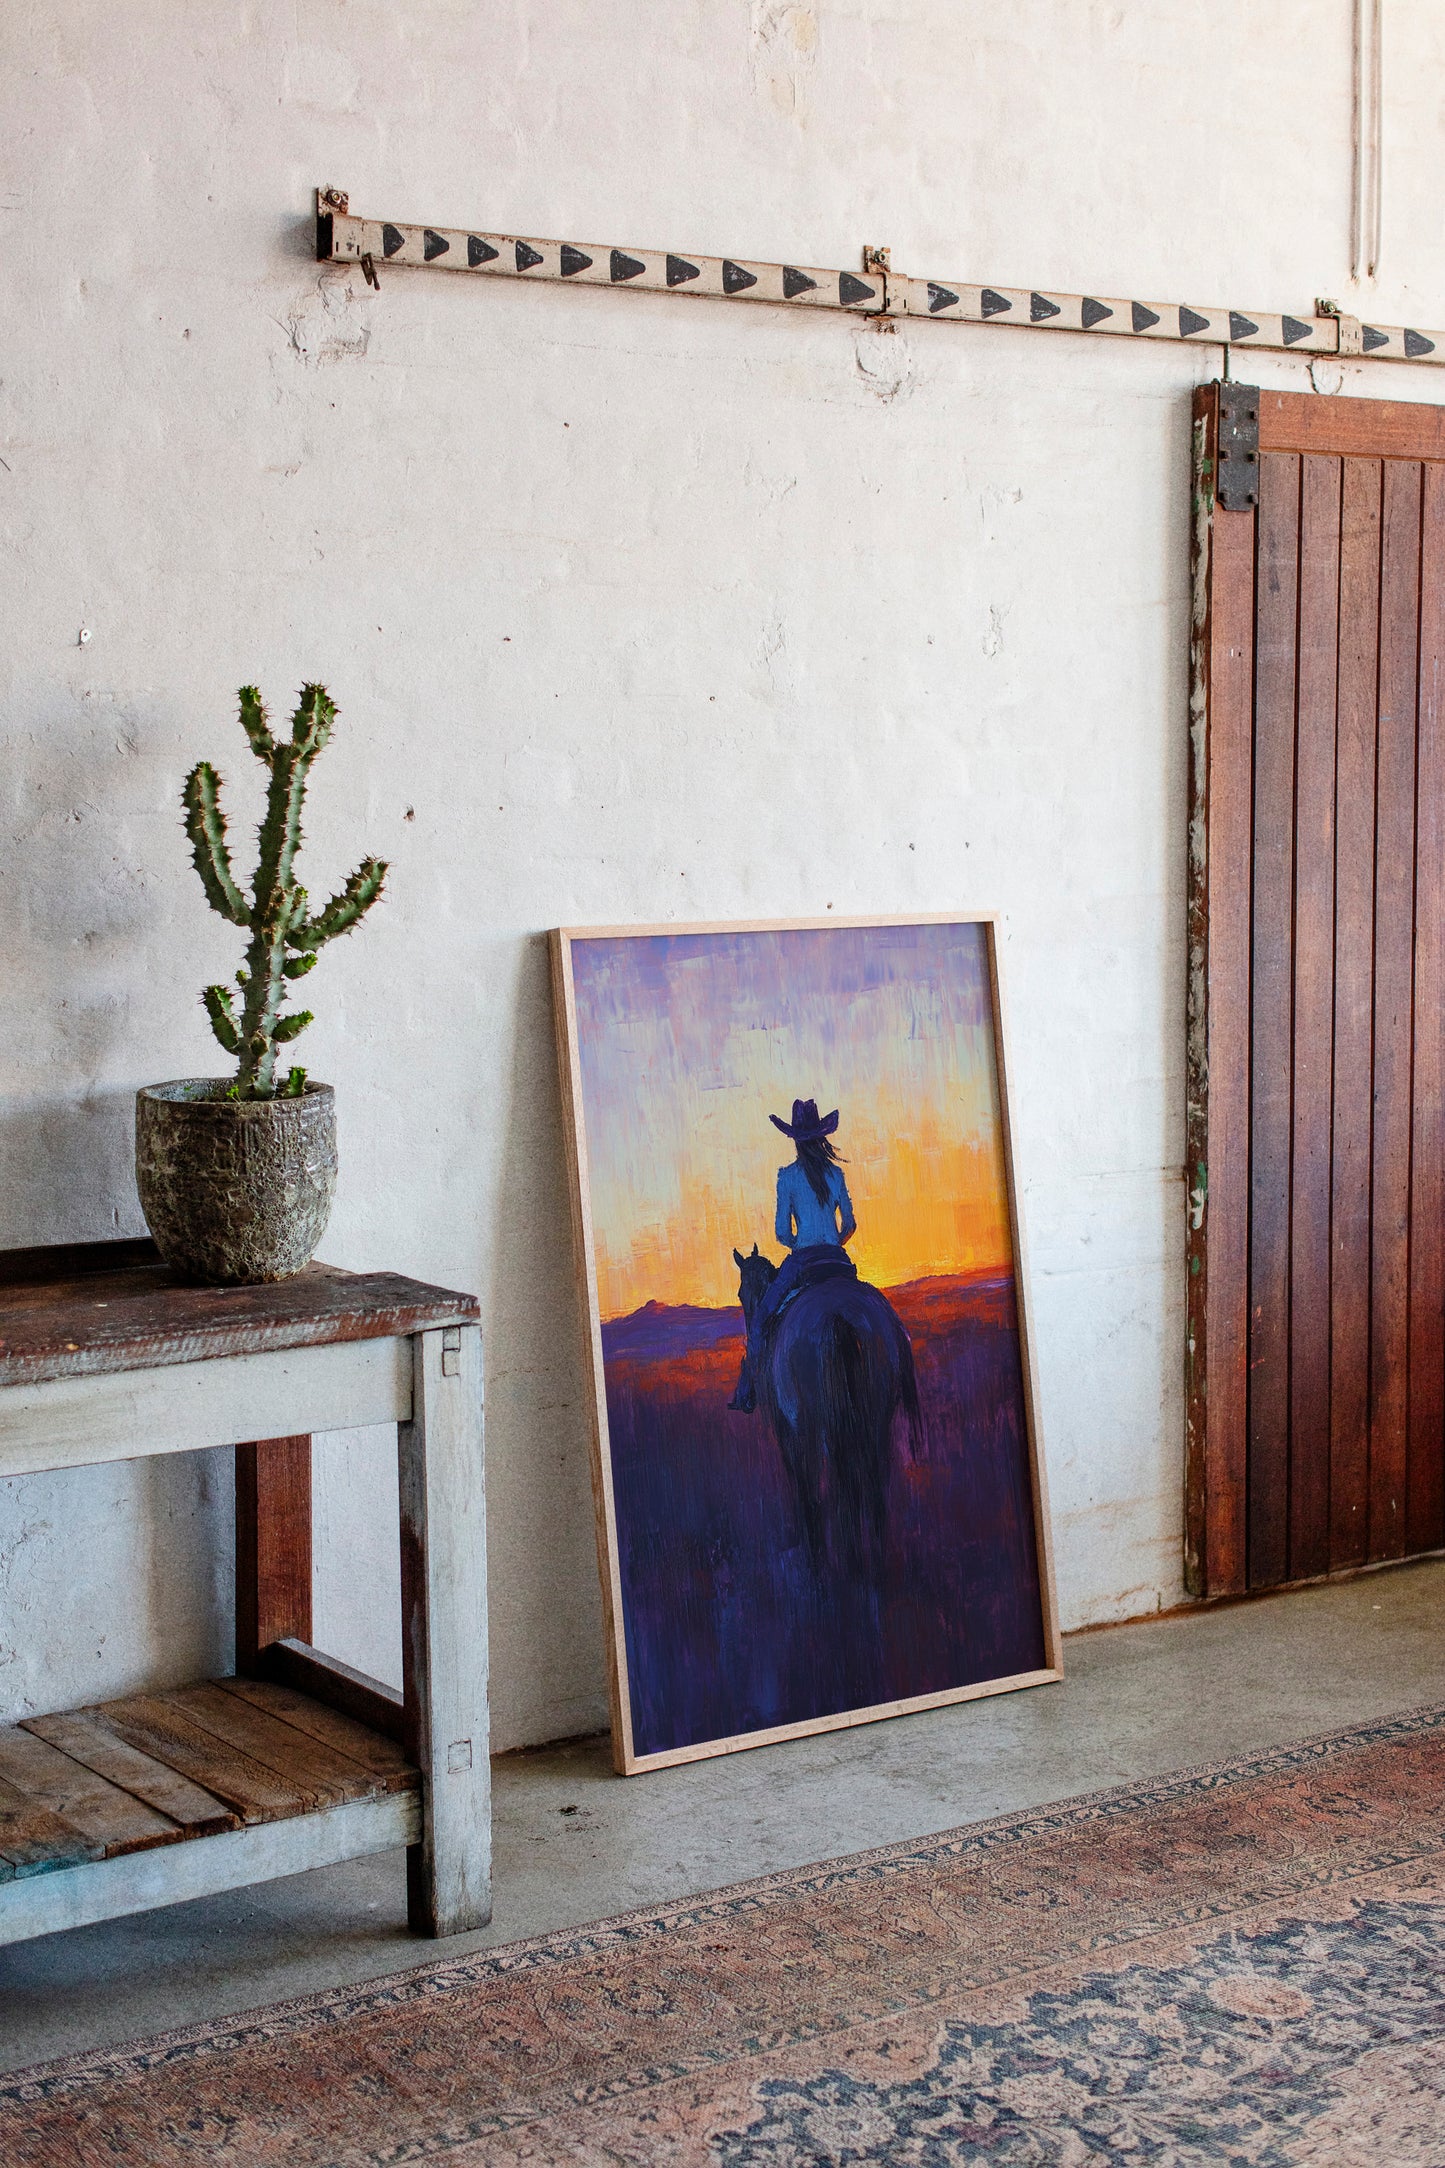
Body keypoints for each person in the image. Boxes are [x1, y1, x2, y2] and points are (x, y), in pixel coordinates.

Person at [729, 1098, 858, 1413]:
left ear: (796, 1141)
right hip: (837, 1261)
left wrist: (803, 1244)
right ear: (822, 1137)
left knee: (760, 1321)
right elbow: (851, 1224)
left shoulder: (787, 1176)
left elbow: (781, 1234)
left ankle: (749, 1391)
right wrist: (833, 1243)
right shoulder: (836, 1174)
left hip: (804, 1261)